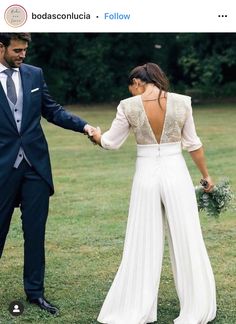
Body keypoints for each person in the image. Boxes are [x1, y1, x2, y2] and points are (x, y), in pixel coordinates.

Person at [91, 63, 217, 324]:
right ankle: (196, 308)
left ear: (138, 81)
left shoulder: (128, 106)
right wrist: (206, 176)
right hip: (176, 173)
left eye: (131, 85)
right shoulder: (182, 103)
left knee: (141, 240)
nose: (131, 90)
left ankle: (137, 308)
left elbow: (110, 142)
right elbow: (193, 143)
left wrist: (94, 134)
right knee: (187, 236)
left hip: (146, 176)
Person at [0, 33, 95, 315]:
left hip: (35, 168)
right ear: (0, 47)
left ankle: (35, 293)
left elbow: (52, 110)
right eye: (17, 50)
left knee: (35, 232)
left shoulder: (34, 75)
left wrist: (85, 127)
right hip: (2, 168)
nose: (22, 55)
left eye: (25, 50)